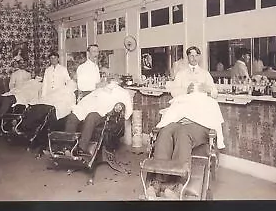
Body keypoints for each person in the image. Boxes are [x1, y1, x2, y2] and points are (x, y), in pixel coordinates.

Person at [146, 46, 224, 199]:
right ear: (187, 57)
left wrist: (206, 88)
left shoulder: (205, 74)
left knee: (183, 133)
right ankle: (157, 183)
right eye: (191, 55)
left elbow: (215, 93)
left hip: (198, 120)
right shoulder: (181, 74)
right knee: (165, 132)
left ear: (199, 57)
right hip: (180, 115)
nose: (193, 58)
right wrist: (186, 90)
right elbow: (174, 92)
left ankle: (176, 185)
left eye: (196, 55)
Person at [64, 80, 133, 155]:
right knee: (73, 116)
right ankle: (67, 146)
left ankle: (81, 148)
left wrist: (120, 107)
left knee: (91, 116)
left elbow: (128, 111)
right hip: (88, 108)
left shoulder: (123, 93)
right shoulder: (100, 90)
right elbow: (87, 100)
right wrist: (79, 107)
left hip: (103, 113)